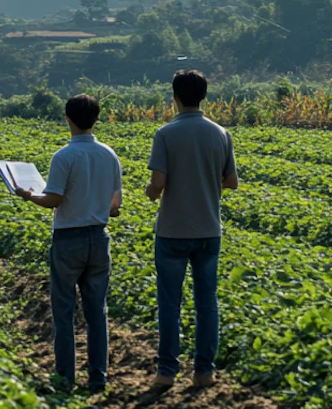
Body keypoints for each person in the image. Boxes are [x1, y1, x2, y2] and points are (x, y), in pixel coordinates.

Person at [16, 94, 123, 394]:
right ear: (96, 119)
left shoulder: (63, 156)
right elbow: (115, 206)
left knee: (63, 311)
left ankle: (65, 377)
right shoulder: (109, 154)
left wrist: (29, 195)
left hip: (68, 239)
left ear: (67, 118)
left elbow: (54, 199)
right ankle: (98, 379)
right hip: (99, 238)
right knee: (96, 312)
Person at [145, 69, 239, 393]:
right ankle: (204, 371)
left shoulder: (165, 134)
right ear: (204, 96)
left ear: (174, 96)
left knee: (170, 304)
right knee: (206, 303)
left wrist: (150, 193)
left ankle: (167, 372)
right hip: (209, 230)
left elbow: (158, 183)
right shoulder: (221, 134)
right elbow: (232, 182)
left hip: (172, 231)